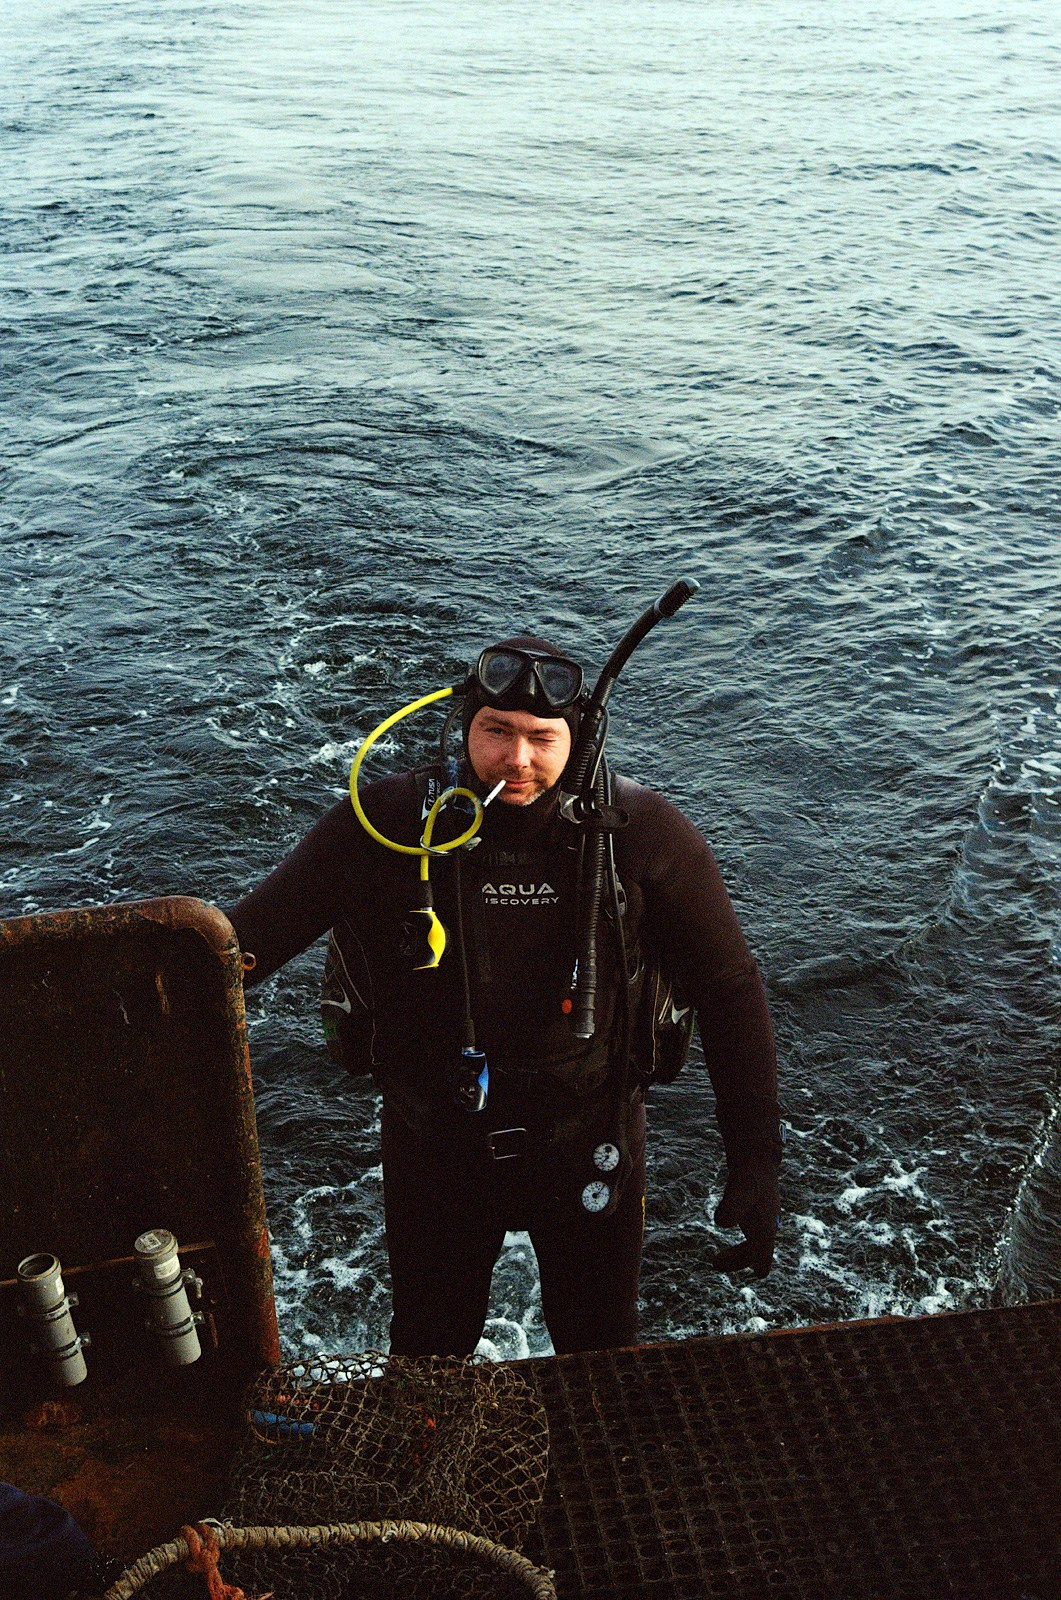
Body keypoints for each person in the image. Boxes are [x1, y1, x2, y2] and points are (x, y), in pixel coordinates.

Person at [227, 633, 781, 1357]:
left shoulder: (642, 834)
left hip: (589, 1140)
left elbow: (731, 989)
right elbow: (241, 949)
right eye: (497, 733)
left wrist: (756, 1160)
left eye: (541, 739)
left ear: (576, 741)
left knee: (599, 1348)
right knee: (429, 1347)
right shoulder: (387, 826)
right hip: (435, 1141)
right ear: (463, 728)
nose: (518, 760)